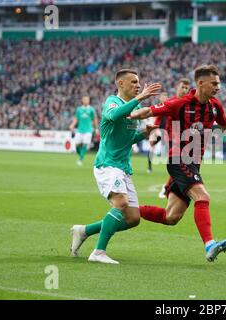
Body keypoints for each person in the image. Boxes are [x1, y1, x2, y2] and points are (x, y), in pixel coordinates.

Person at [130, 65, 226, 262]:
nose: (218, 87)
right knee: (202, 197)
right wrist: (127, 113)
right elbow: (148, 111)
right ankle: (210, 245)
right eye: (214, 83)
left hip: (193, 164)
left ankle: (128, 209)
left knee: (171, 217)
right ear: (200, 83)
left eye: (219, 83)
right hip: (179, 160)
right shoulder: (180, 103)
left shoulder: (214, 106)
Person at [69, 69, 162, 264]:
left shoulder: (130, 108)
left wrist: (145, 133)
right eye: (134, 82)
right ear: (121, 84)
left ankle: (84, 231)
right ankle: (98, 252)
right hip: (107, 165)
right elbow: (112, 116)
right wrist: (142, 97)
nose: (138, 85)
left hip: (123, 167)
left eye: (139, 82)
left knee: (133, 218)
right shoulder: (113, 101)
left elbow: (127, 139)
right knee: (121, 203)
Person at [151, 78, 191, 198]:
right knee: (178, 164)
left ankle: (172, 188)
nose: (184, 90)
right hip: (172, 138)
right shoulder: (170, 102)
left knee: (182, 165)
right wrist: (154, 131)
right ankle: (167, 188)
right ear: (177, 87)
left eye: (186, 88)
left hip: (187, 139)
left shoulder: (189, 103)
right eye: (182, 87)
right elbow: (158, 115)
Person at [69, 96, 98, 166]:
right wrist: (72, 125)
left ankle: (80, 159)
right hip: (80, 130)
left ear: (89, 100)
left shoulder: (91, 109)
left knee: (85, 144)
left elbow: (94, 119)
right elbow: (76, 119)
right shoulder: (79, 109)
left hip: (88, 130)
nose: (86, 100)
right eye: (85, 99)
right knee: (77, 145)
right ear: (82, 100)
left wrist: (96, 128)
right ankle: (81, 155)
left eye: (87, 99)